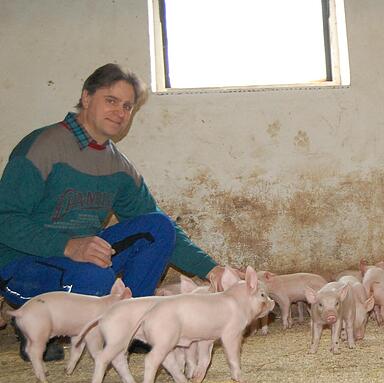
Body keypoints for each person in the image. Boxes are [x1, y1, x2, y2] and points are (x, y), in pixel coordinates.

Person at [0, 63, 226, 359]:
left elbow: (155, 224)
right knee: (97, 280)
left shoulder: (118, 166)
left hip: (80, 258)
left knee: (158, 227)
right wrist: (67, 245)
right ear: (86, 97)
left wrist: (212, 269)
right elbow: (4, 219)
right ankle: (35, 320)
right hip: (23, 263)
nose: (120, 112)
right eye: (111, 100)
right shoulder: (43, 146)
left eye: (128, 106)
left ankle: (133, 324)